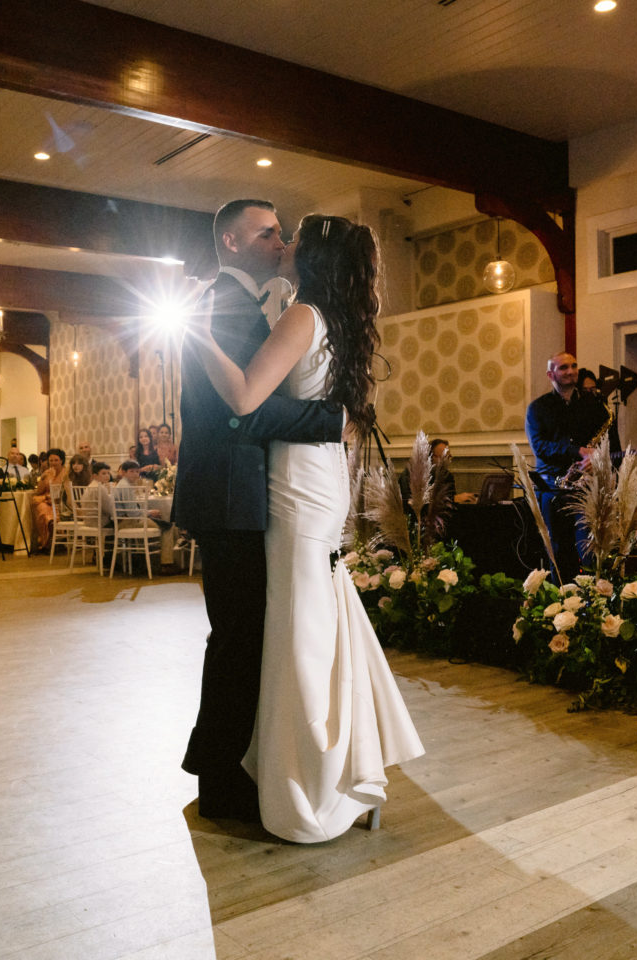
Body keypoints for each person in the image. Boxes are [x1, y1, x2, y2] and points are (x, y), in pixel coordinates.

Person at [185, 209, 424, 841]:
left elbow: (242, 403)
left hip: (292, 487)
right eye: (270, 232)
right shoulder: (316, 315)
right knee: (292, 624)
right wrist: (330, 420)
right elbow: (239, 415)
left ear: (311, 257)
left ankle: (298, 773)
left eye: (288, 236)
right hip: (301, 485)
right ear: (234, 240)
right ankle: (282, 763)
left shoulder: (294, 314)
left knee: (288, 627)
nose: (281, 241)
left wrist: (193, 337)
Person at [524, 352, 620, 583]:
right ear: (551, 374)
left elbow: (613, 447)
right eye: (563, 367)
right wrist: (576, 451)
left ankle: (592, 603)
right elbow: (540, 448)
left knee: (590, 549)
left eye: (574, 366)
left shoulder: (595, 405)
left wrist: (597, 461)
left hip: (587, 486)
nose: (570, 371)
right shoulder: (538, 408)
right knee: (558, 550)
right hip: (553, 487)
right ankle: (561, 603)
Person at [32, 447, 69, 550]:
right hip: (46, 500)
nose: (53, 463)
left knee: (52, 515)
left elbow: (63, 492)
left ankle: (57, 542)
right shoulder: (47, 473)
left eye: (56, 460)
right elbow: (39, 491)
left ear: (61, 460)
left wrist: (53, 479)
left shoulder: (66, 473)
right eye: (51, 460)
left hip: (60, 501)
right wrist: (44, 478)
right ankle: (46, 543)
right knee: (41, 509)